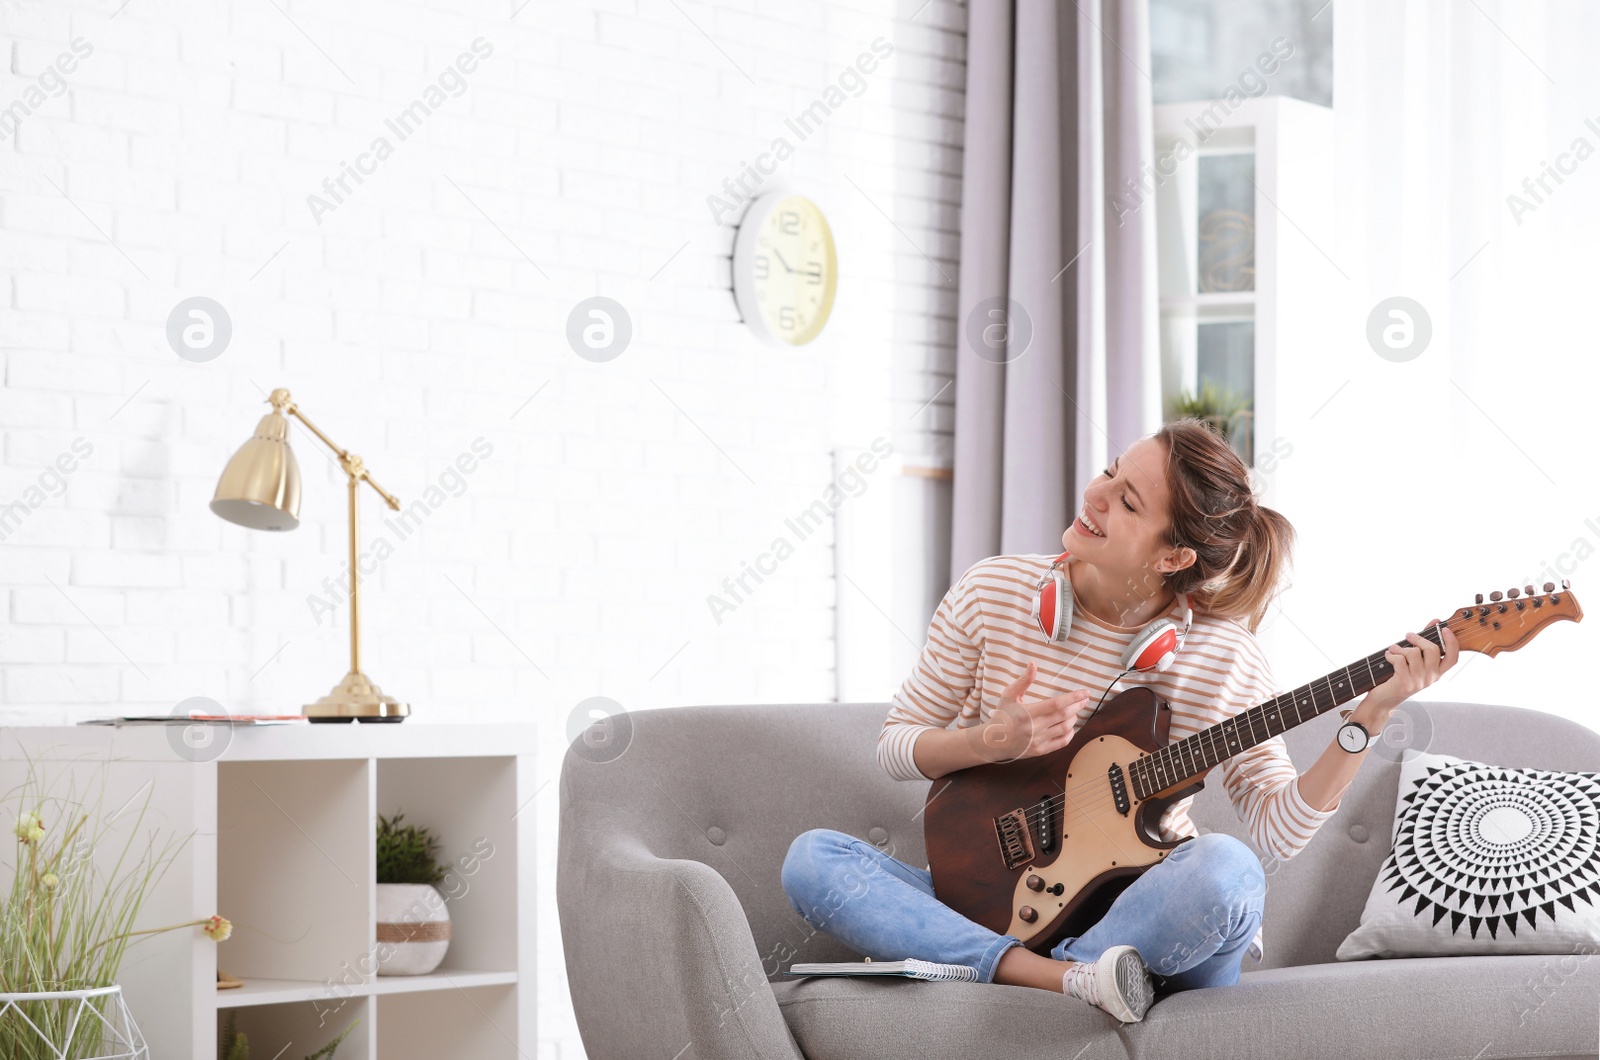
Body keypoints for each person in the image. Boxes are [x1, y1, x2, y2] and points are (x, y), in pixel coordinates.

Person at [781, 418, 1459, 1023]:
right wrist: (993, 739)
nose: (1095, 496)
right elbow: (898, 745)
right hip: (996, 900)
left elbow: (1278, 831)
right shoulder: (994, 592)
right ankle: (1065, 981)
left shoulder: (1222, 658)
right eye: (1110, 472)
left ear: (1173, 558)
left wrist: (1369, 715)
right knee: (814, 859)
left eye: (1127, 501)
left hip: (1144, 919)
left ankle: (1048, 972)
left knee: (1228, 870)